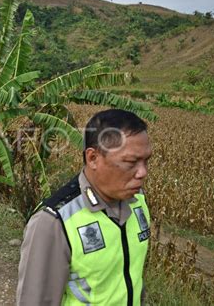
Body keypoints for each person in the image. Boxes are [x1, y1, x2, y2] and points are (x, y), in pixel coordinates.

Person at [16, 109, 153, 305]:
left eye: (146, 161)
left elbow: (132, 278)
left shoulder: (138, 202)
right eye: (131, 162)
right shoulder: (54, 222)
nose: (142, 172)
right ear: (93, 158)